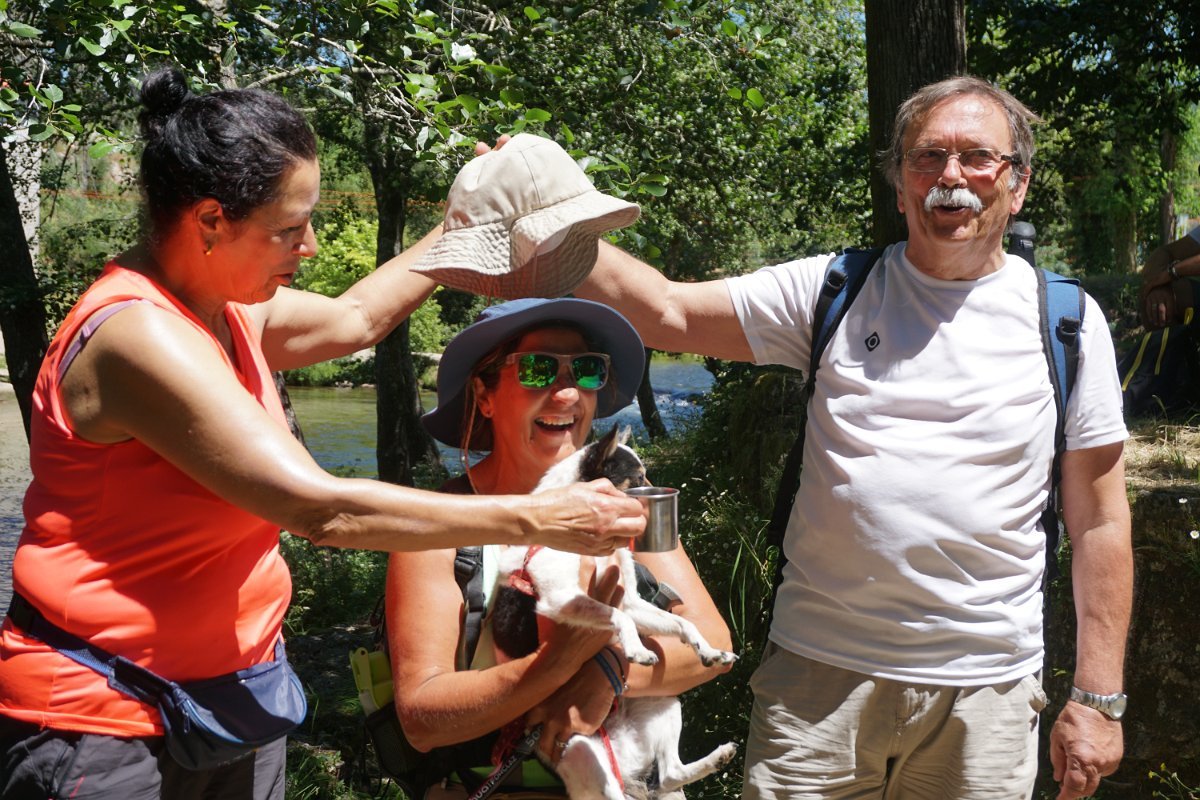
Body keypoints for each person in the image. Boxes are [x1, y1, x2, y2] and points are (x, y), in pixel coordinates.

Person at [0, 69, 644, 800]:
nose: (308, 245)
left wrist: (470, 215)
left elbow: (358, 319)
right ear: (210, 221)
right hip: (106, 719)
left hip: (233, 699)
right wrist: (538, 517)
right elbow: (321, 511)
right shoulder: (137, 336)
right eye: (288, 228)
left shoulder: (228, 309)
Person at [559, 76, 1130, 800]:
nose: (951, 176)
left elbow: (1101, 520)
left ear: (1017, 185)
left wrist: (1098, 698)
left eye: (978, 157)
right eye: (928, 157)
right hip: (816, 684)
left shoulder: (1068, 323)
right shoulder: (834, 291)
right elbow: (666, 310)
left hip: (985, 692)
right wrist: (544, 216)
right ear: (901, 185)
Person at [386, 297, 733, 798]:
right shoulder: (437, 524)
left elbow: (713, 642)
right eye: (536, 369)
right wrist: (556, 667)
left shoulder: (627, 503)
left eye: (588, 370)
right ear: (484, 395)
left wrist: (606, 674)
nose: (568, 392)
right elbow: (422, 719)